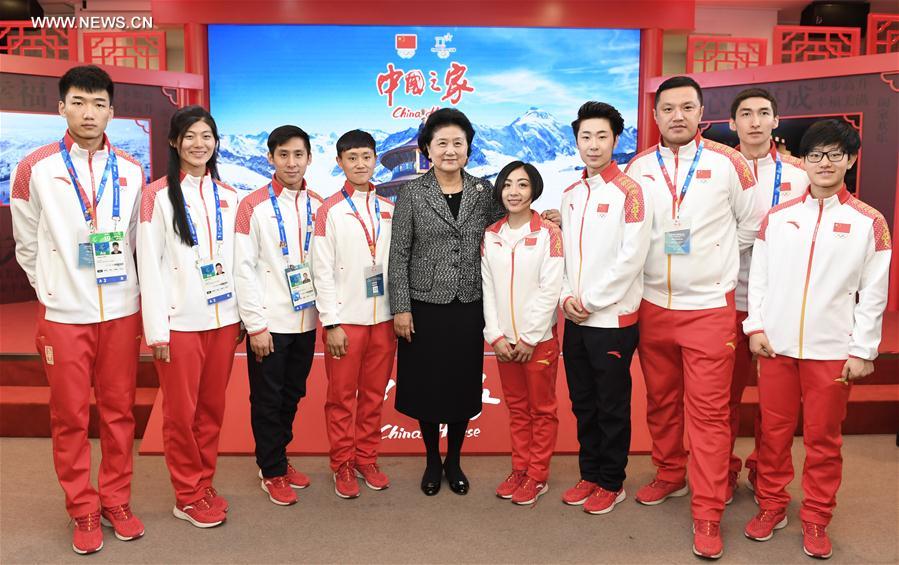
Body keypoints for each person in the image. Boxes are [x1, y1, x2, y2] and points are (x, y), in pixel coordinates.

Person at [388, 108, 562, 496]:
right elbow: (398, 254)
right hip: (424, 306)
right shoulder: (412, 194)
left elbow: (514, 216)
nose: (450, 150)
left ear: (468, 149)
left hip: (469, 303)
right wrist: (400, 307)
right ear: (427, 149)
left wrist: (548, 216)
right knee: (428, 388)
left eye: (458, 143)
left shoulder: (484, 190)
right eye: (442, 144)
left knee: (461, 387)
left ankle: (454, 460)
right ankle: (433, 460)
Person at [10, 64, 146, 555]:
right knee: (69, 415)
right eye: (80, 102)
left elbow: (133, 241)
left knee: (118, 412)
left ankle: (116, 499)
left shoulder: (132, 170)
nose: (90, 113)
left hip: (121, 311)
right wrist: (53, 287)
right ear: (61, 106)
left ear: (112, 110)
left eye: (99, 104)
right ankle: (82, 506)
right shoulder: (35, 168)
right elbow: (25, 242)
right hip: (65, 314)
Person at [624, 76, 762, 559]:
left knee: (707, 414)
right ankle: (669, 474)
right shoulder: (639, 168)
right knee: (661, 402)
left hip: (708, 308)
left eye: (687, 107)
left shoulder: (730, 163)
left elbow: (751, 225)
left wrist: (711, 260)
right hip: (653, 306)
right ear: (656, 116)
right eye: (668, 108)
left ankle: (707, 510)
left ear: (702, 113)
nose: (677, 115)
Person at [742, 120, 891, 559]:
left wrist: (863, 349)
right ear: (801, 161)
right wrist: (756, 328)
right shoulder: (778, 217)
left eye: (834, 154)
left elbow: (874, 292)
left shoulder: (869, 222)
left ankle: (817, 517)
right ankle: (771, 505)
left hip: (831, 352)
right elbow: (761, 280)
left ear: (851, 159)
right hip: (778, 348)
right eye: (815, 155)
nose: (824, 163)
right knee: (772, 434)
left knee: (824, 440)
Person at [138, 106, 242, 528]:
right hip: (179, 325)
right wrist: (157, 330)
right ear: (174, 142)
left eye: (207, 136)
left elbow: (236, 262)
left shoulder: (230, 196)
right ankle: (186, 494)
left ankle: (203, 480)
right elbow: (149, 263)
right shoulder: (156, 196)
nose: (200, 144)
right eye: (191, 136)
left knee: (211, 410)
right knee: (181, 415)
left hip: (222, 322)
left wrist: (240, 318)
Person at [559, 102, 652, 515]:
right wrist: (566, 299)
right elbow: (561, 256)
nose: (593, 145)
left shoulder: (630, 192)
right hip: (576, 319)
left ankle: (612, 481)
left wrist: (590, 302)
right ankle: (590, 473)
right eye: (585, 137)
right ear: (576, 141)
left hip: (611, 319)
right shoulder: (571, 194)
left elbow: (631, 259)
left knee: (611, 404)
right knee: (583, 402)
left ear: (616, 139)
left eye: (601, 136)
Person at [234, 125, 324, 506]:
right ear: (270, 157)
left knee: (293, 394)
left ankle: (279, 459)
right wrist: (256, 326)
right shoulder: (251, 206)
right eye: (283, 155)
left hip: (306, 320)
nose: (291, 162)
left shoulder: (320, 204)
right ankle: (271, 470)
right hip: (269, 323)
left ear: (308, 158)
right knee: (267, 399)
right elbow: (244, 268)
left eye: (298, 155)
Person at [726, 88, 810, 498]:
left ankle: (765, 468)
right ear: (732, 123)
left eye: (763, 113)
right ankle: (722, 468)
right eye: (746, 114)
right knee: (723, 398)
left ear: (776, 121)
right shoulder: (720, 170)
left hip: (781, 303)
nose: (755, 121)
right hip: (727, 300)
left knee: (775, 405)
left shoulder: (801, 177)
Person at [312, 130, 396, 499]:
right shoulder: (328, 210)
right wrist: (330, 322)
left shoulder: (390, 208)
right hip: (346, 320)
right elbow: (321, 269)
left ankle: (367, 457)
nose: (360, 164)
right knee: (342, 397)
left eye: (366, 156)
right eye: (352, 158)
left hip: (385, 320)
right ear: (339, 162)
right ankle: (342, 463)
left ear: (376, 159)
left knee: (374, 395)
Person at [482, 161, 563, 506]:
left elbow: (551, 287)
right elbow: (487, 288)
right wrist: (496, 335)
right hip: (504, 342)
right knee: (517, 410)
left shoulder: (548, 233)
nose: (514, 192)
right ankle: (520, 468)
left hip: (538, 341)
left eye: (522, 185)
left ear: (534, 191)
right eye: (508, 185)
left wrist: (530, 337)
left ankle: (537, 475)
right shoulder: (491, 234)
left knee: (541, 410)